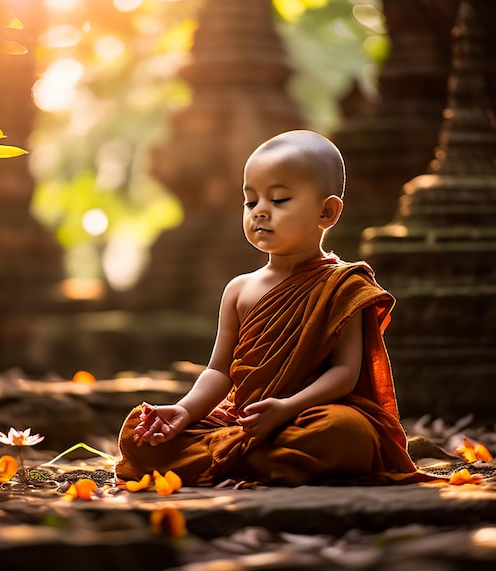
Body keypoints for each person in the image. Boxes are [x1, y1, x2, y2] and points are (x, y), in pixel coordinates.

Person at [116, 130, 431, 487]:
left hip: (307, 415)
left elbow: (344, 373)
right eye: (251, 202)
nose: (260, 211)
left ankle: (234, 457)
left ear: (326, 211)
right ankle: (255, 456)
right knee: (138, 433)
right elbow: (219, 372)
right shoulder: (239, 289)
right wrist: (185, 411)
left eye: (279, 199)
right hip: (244, 418)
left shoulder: (344, 285)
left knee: (345, 432)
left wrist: (286, 408)